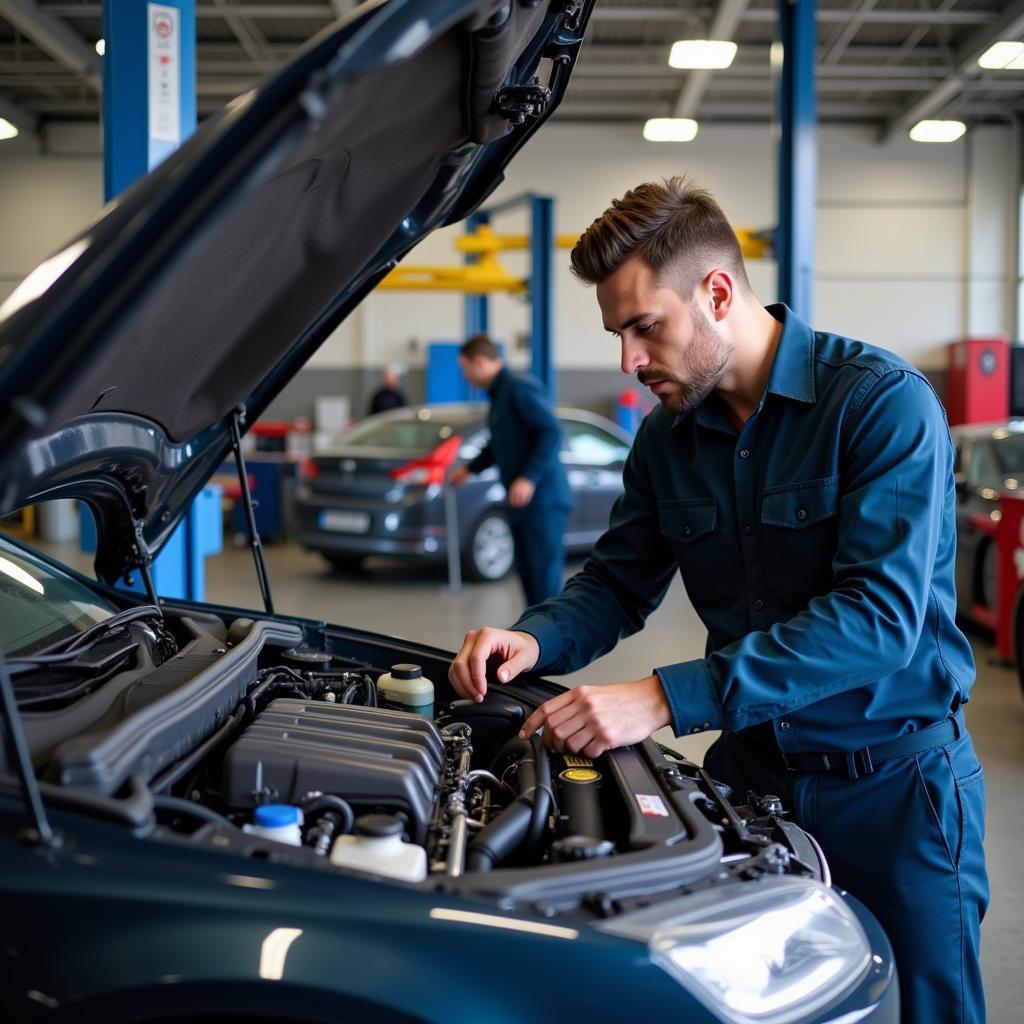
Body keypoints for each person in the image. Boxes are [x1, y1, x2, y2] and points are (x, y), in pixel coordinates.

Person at [448, 178, 987, 1024]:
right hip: (754, 789)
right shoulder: (667, 437)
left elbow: (878, 621)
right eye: (618, 334)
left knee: (927, 1011)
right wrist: (534, 641)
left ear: (719, 293)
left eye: (643, 327)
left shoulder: (881, 406)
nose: (629, 360)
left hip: (895, 791)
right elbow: (617, 583)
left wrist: (662, 697)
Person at [449, 334, 572, 605]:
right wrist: (468, 469)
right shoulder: (499, 393)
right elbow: (501, 444)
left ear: (479, 362)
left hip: (543, 502)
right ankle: (536, 640)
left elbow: (550, 431)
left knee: (543, 582)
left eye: (465, 368)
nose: (465, 375)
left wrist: (528, 477)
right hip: (522, 503)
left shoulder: (518, 388)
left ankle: (551, 644)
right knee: (530, 579)